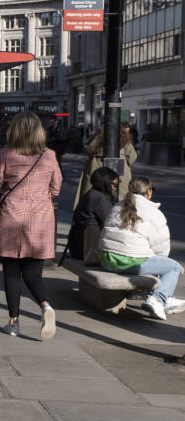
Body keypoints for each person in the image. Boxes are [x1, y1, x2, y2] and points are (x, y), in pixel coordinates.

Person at [0, 111, 63, 339]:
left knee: (11, 272)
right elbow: (56, 187)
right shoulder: (49, 156)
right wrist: (42, 197)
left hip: (11, 216)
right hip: (40, 220)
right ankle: (46, 306)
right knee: (33, 272)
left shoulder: (6, 154)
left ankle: (13, 323)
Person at [98, 177, 185, 320]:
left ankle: (165, 297)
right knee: (173, 267)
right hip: (129, 263)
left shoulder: (118, 206)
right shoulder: (154, 212)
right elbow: (162, 248)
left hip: (107, 259)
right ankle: (158, 299)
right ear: (149, 192)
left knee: (154, 259)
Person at [66, 167, 119, 261]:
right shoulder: (100, 199)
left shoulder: (90, 194)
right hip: (89, 248)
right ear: (106, 183)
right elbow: (112, 222)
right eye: (114, 185)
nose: (115, 188)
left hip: (78, 246)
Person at [76, 124, 137, 205]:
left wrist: (94, 136)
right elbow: (132, 156)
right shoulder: (124, 139)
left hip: (98, 166)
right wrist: (123, 160)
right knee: (119, 199)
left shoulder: (99, 137)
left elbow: (89, 149)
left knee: (95, 198)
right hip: (120, 165)